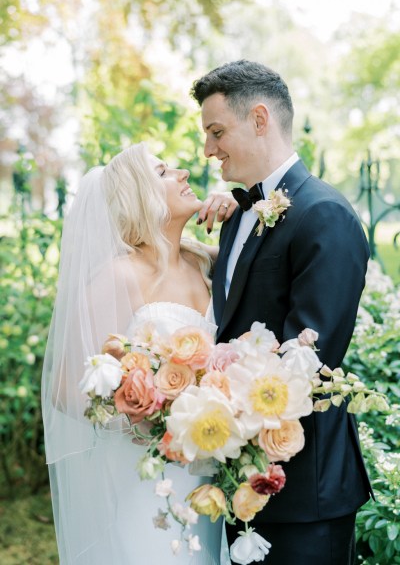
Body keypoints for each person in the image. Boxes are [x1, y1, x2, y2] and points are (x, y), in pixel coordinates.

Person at [192, 60, 373, 565]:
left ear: (259, 118)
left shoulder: (325, 216)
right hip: (239, 481)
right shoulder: (237, 215)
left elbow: (306, 361)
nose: (208, 149)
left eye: (216, 131)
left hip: (304, 492)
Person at [41, 142, 236, 564]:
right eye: (165, 172)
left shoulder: (204, 262)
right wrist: (148, 420)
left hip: (206, 476)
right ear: (140, 197)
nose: (183, 173)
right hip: (147, 479)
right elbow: (63, 387)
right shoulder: (120, 275)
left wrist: (236, 210)